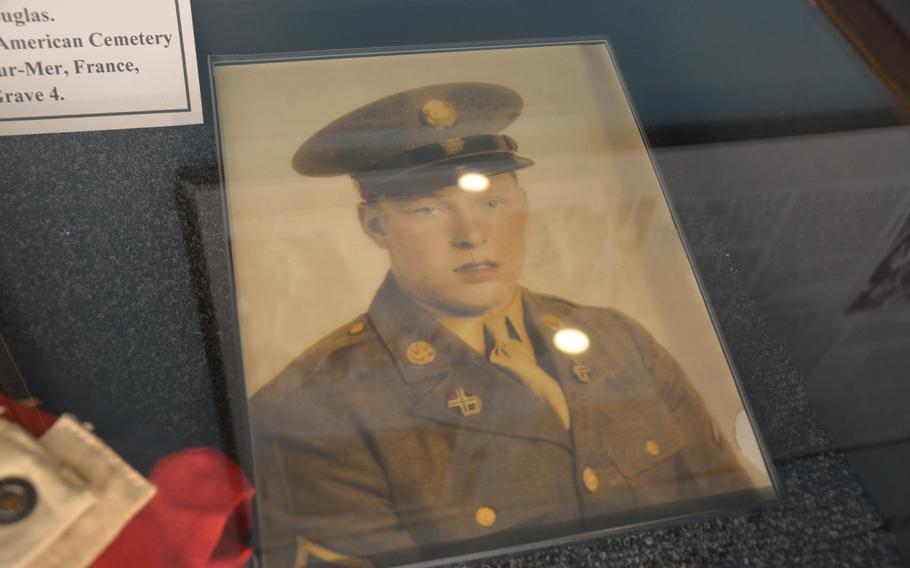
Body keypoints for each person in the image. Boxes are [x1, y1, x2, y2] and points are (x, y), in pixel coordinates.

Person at [250, 83, 759, 567]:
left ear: (523, 203)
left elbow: (741, 532)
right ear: (376, 225)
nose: (472, 235)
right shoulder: (308, 415)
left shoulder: (619, 342)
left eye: (492, 203)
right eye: (428, 210)